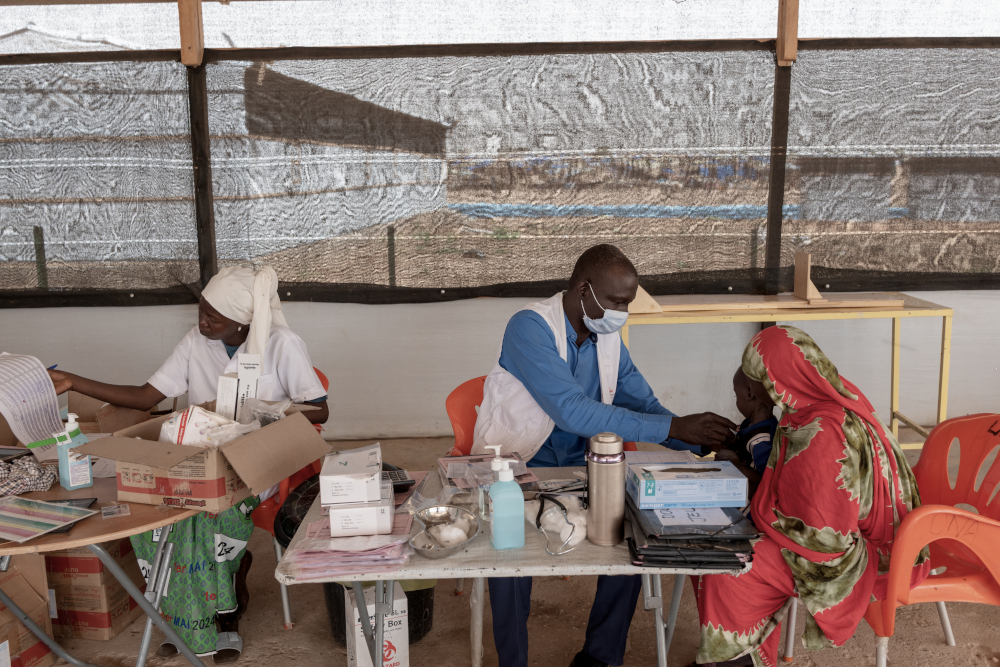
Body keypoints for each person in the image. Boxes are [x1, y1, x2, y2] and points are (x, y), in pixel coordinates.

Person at [471, 244, 737, 667]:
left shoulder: (607, 338)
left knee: (634, 536)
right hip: (520, 464)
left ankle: (600, 657)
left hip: (582, 466)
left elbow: (644, 405)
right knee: (509, 555)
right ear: (583, 290)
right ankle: (513, 661)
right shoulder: (529, 327)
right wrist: (672, 428)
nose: (622, 312)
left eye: (627, 303)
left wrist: (699, 439)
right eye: (616, 301)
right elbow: (571, 410)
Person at [48, 266, 328, 663]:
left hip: (257, 462)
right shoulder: (197, 342)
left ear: (243, 323)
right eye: (200, 310)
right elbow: (146, 397)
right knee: (153, 512)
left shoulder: (282, 344)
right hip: (199, 458)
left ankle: (225, 615)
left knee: (202, 517)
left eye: (213, 317)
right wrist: (75, 382)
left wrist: (266, 412)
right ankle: (182, 615)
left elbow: (321, 411)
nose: (202, 322)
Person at [690, 325, 928, 667]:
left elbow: (823, 536)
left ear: (772, 380)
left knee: (732, 564)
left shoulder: (822, 431)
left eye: (754, 380)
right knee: (711, 549)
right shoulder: (826, 398)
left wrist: (759, 514)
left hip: (860, 554)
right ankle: (745, 654)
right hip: (858, 534)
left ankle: (739, 661)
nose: (754, 389)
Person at [713, 367, 779, 503]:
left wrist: (735, 465)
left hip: (750, 506)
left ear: (750, 394)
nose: (736, 400)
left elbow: (766, 480)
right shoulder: (749, 424)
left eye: (736, 395)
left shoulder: (762, 439)